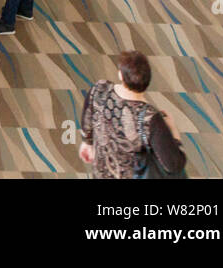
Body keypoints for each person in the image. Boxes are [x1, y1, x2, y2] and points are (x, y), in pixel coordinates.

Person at [79, 51, 186, 179]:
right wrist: (174, 132)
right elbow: (173, 165)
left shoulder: (100, 89)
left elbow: (87, 119)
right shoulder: (149, 118)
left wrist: (87, 143)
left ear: (121, 75)